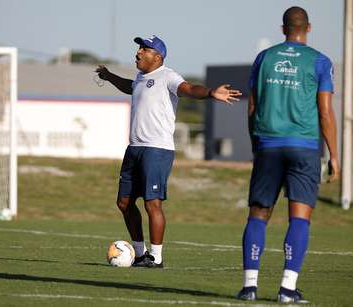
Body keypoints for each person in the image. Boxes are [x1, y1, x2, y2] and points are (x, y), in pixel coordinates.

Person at [96, 35, 241, 268]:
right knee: (124, 202)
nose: (138, 52)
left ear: (158, 56)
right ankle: (140, 254)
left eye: (144, 48)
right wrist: (109, 76)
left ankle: (156, 257)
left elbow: (190, 88)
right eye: (139, 48)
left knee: (152, 203)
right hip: (134, 148)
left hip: (157, 150)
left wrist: (211, 92)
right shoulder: (141, 78)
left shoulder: (168, 76)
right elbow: (129, 87)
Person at [236, 6, 340, 303]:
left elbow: (252, 107)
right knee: (299, 217)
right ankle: (287, 289)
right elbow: (325, 111)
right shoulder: (320, 61)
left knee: (258, 214)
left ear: (283, 29)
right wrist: (334, 155)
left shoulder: (264, 57)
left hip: (268, 144)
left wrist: (256, 144)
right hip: (304, 147)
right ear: (308, 27)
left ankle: (249, 287)